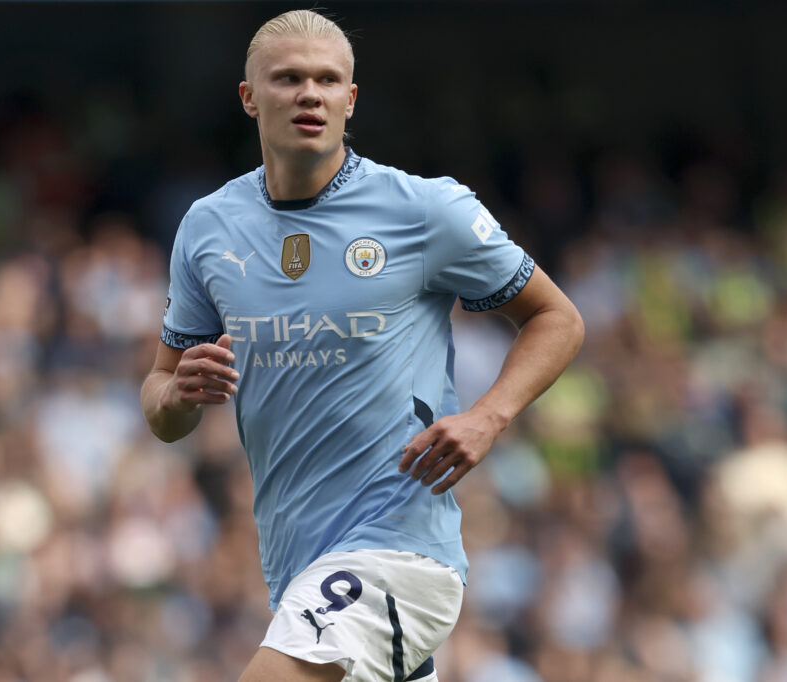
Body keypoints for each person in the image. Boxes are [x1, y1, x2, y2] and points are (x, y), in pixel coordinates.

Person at [141, 9, 584, 682]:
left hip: (400, 551)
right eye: (289, 79)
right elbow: (161, 405)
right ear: (249, 97)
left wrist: (488, 416)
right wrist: (175, 395)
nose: (310, 94)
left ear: (350, 100)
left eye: (328, 80)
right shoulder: (208, 227)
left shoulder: (424, 210)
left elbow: (558, 318)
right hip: (295, 565)